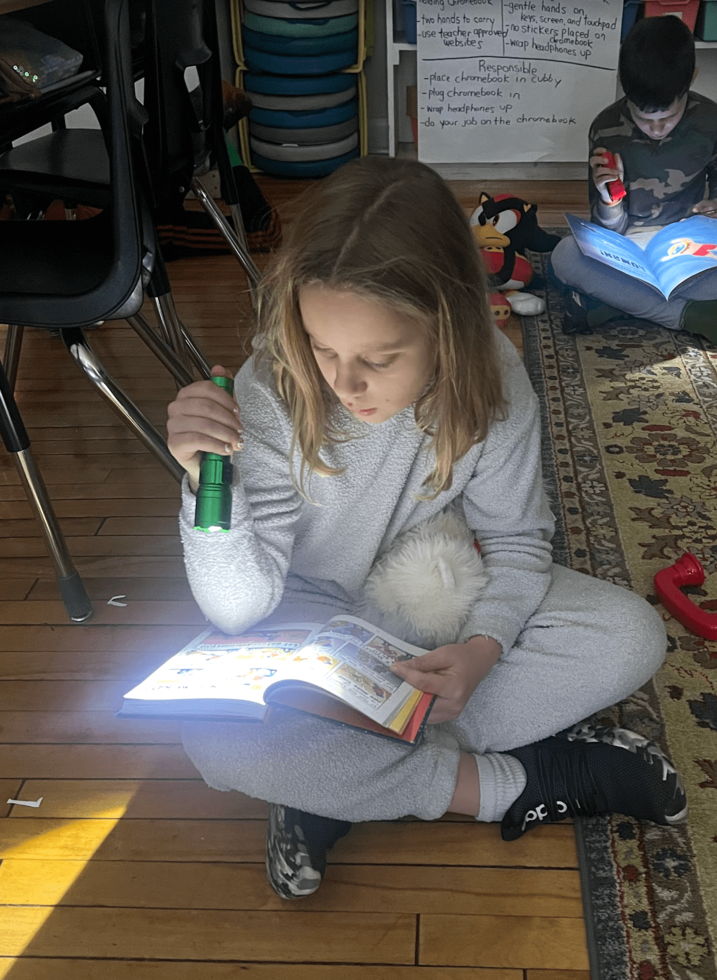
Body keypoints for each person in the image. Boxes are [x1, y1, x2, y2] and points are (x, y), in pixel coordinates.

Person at [166, 155, 687, 902]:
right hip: (305, 621)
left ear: (445, 328)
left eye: (379, 359)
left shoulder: (492, 375)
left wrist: (481, 649)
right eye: (322, 347)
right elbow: (238, 609)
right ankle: (519, 782)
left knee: (631, 636)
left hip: (433, 603)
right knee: (213, 740)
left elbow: (514, 543)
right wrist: (202, 488)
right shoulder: (271, 394)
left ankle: (335, 784)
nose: (344, 386)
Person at [550, 15, 717, 348]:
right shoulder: (606, 128)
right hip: (628, 246)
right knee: (564, 256)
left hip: (689, 245)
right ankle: (694, 315)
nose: (656, 129)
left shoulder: (713, 120)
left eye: (668, 117)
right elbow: (605, 229)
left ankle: (613, 304)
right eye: (643, 117)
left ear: (691, 79)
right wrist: (609, 202)